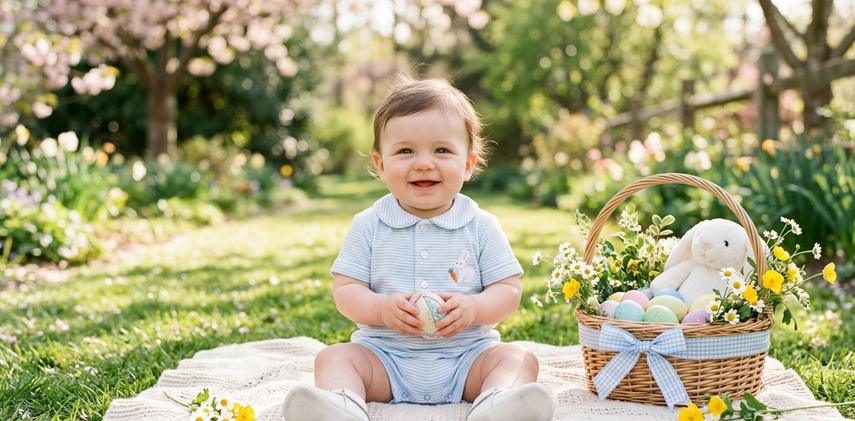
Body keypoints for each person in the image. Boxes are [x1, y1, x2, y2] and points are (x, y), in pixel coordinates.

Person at [282, 75, 554, 421]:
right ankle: (343, 406)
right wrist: (381, 309)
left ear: (468, 164)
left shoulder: (481, 225)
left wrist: (472, 307)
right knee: (334, 358)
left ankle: (497, 404)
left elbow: (508, 290)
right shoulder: (368, 224)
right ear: (381, 165)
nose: (424, 163)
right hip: (385, 360)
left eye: (442, 150)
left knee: (518, 359)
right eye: (405, 151)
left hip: (467, 358)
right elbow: (345, 290)